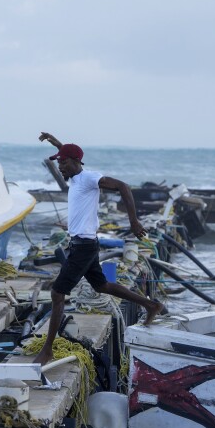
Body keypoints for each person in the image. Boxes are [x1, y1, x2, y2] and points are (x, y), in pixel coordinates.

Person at [34, 132, 163, 365]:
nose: (60, 167)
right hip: (82, 244)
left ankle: (47, 350)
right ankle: (150, 304)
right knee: (102, 285)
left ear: (75, 162)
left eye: (63, 162)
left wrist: (133, 221)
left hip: (83, 246)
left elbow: (123, 186)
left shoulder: (88, 178)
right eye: (59, 162)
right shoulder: (75, 178)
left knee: (57, 293)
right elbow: (73, 156)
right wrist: (58, 144)